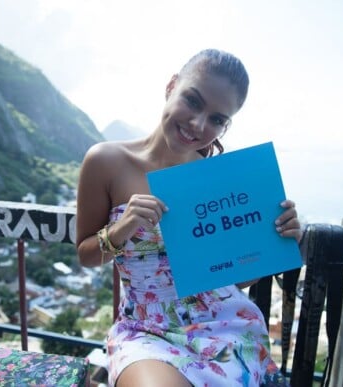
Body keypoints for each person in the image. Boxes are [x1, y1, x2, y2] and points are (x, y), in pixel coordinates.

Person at [76, 49, 302, 387]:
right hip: (145, 329)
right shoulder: (106, 161)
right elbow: (85, 255)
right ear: (171, 86)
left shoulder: (215, 178)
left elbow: (230, 277)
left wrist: (274, 243)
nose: (198, 125)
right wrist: (122, 228)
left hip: (226, 324)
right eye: (193, 102)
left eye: (217, 119)